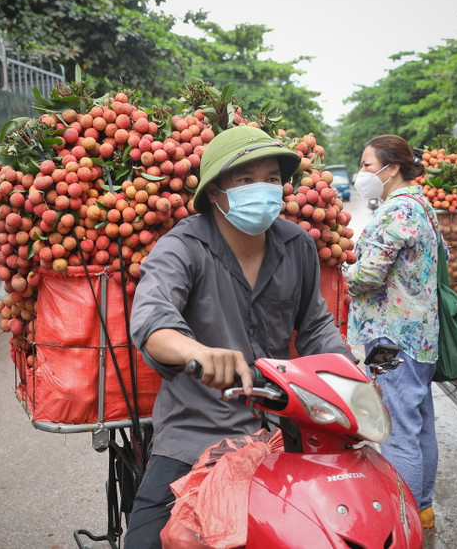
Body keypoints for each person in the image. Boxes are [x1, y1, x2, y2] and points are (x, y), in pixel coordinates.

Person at [124, 126, 354, 548]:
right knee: (143, 543)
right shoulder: (183, 246)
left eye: (270, 178)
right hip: (196, 431)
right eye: (245, 180)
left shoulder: (298, 244)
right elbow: (152, 320)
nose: (262, 189)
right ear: (214, 193)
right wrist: (196, 352)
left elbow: (316, 326)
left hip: (284, 424)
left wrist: (346, 377)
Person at [344, 134, 440, 529]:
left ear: (392, 167)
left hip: (393, 337)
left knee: (398, 430)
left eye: (368, 165)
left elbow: (367, 277)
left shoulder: (398, 211)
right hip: (420, 334)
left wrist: (341, 271)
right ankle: (424, 508)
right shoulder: (421, 205)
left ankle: (405, 522)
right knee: (420, 424)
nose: (362, 173)